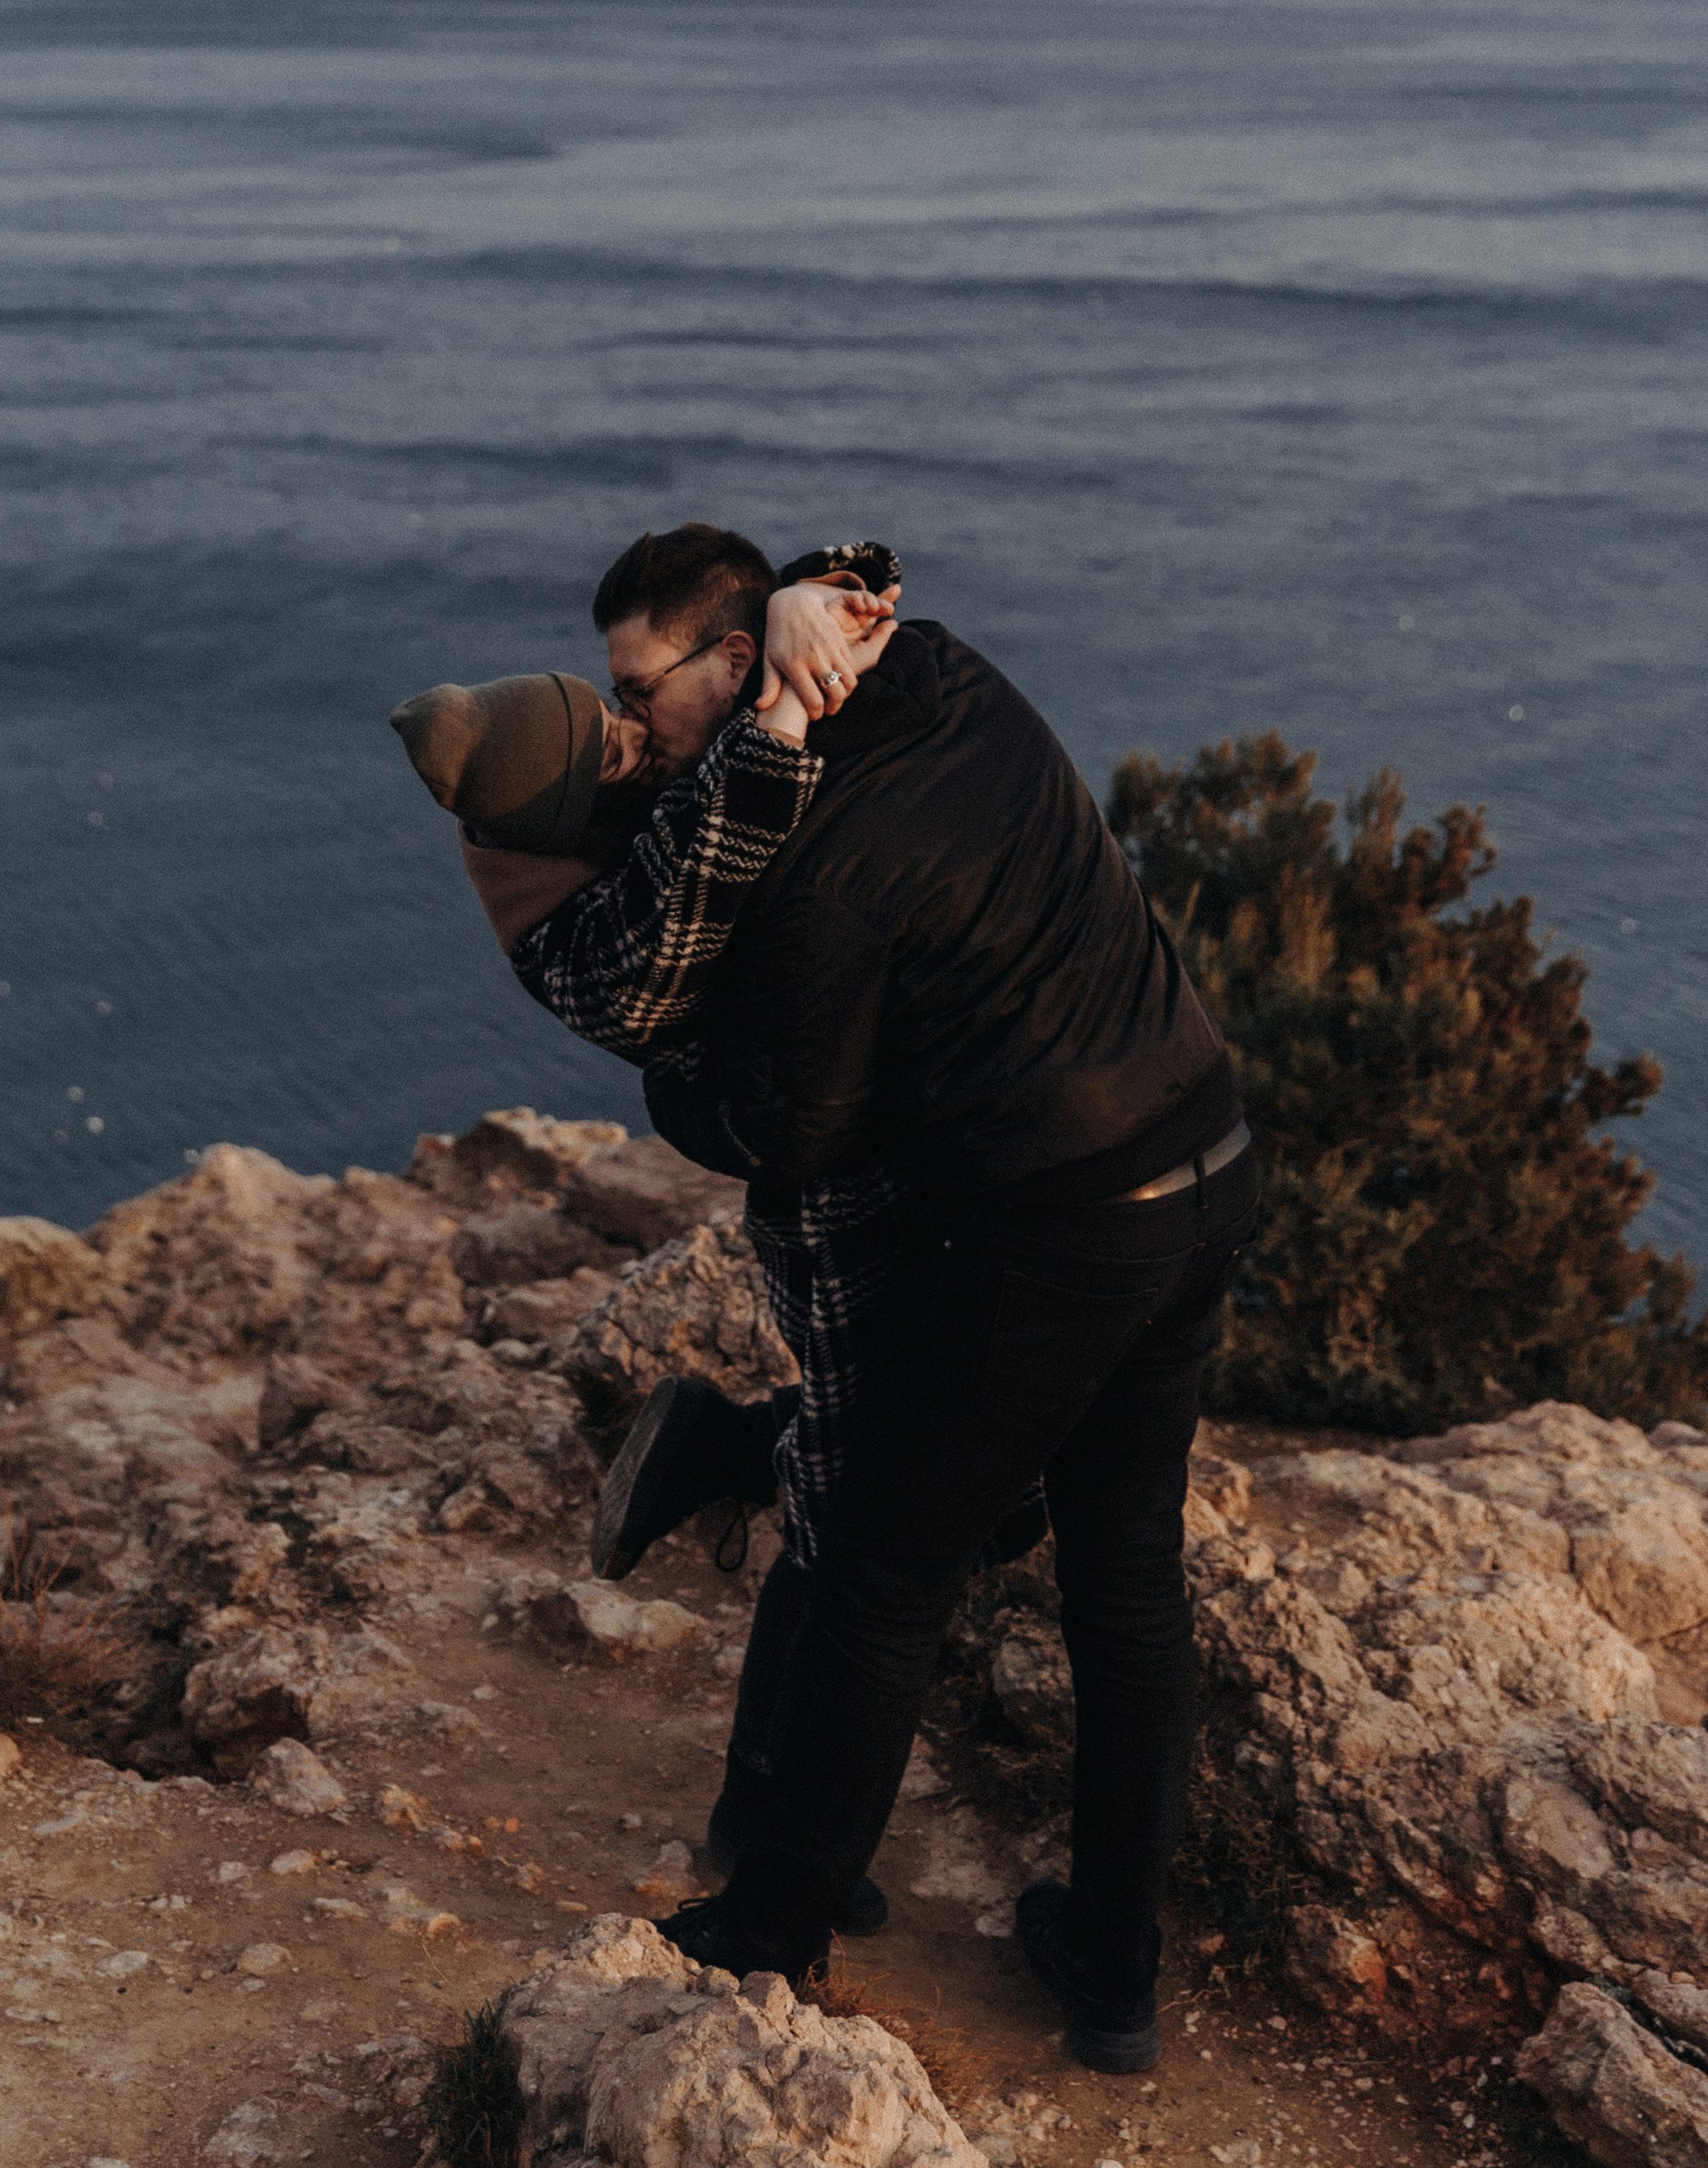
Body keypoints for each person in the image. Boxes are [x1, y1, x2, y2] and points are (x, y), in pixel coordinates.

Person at [427, 523, 1257, 2074]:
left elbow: (790, 1127)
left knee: (886, 1570)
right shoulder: (930, 663)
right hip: (1202, 1150)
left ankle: (773, 1923)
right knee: (1129, 1588)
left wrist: (688, 1103)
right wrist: (823, 577)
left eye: (637, 686)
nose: (632, 724)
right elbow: (850, 571)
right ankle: (1114, 1977)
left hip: (1053, 1224)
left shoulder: (812, 862)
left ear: (737, 664)